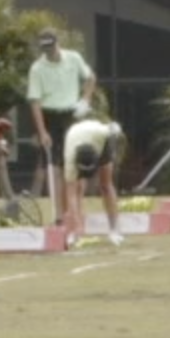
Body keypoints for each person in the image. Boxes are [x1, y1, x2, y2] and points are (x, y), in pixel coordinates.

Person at [23, 25, 94, 228]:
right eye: (44, 48)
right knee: (54, 168)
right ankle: (61, 216)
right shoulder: (37, 68)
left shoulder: (73, 58)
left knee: (75, 164)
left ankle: (76, 210)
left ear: (57, 43)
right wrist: (43, 131)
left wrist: (85, 100)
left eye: (51, 46)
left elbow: (90, 78)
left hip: (71, 114)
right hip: (50, 115)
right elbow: (35, 102)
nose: (48, 51)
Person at [58, 88, 125, 244]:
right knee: (76, 189)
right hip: (77, 137)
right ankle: (73, 232)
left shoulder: (103, 133)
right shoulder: (70, 158)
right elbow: (71, 196)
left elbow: (116, 129)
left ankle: (114, 230)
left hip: (100, 143)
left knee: (106, 185)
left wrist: (114, 150)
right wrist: (77, 226)